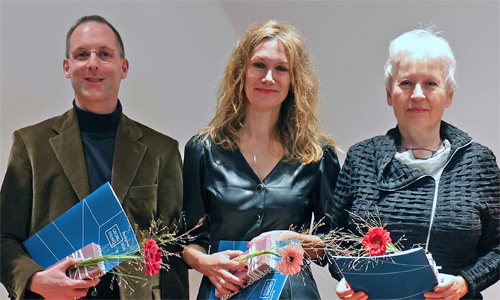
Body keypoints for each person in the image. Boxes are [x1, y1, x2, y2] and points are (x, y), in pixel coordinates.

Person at [0, 15, 188, 300]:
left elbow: (172, 255)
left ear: (123, 67)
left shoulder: (161, 151)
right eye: (81, 55)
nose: (92, 63)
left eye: (104, 54)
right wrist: (36, 279)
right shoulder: (30, 145)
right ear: (67, 67)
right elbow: (3, 239)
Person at [330, 28, 499, 300]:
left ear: (449, 95)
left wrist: (465, 282)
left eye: (431, 83)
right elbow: (335, 240)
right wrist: (346, 278)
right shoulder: (362, 157)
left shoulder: (478, 162)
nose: (417, 94)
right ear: (389, 94)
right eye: (406, 83)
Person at [181, 20, 340, 299]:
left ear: (294, 80)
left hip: (292, 292)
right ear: (241, 72)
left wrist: (295, 241)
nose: (269, 77)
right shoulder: (203, 149)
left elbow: (334, 242)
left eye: (281, 69)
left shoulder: (317, 153)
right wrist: (204, 263)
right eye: (259, 65)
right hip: (224, 289)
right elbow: (189, 241)